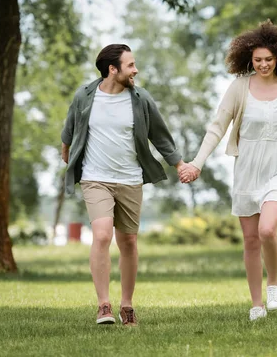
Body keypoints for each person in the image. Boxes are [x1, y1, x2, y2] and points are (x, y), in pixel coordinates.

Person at [179, 21, 277, 321]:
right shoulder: (240, 87)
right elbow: (217, 127)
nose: (264, 65)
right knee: (251, 239)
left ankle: (274, 283)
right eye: (258, 60)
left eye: (268, 59)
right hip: (248, 167)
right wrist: (197, 162)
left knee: (267, 229)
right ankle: (256, 304)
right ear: (249, 60)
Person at [61, 44, 188, 326]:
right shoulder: (85, 96)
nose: (136, 70)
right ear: (112, 69)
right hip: (96, 178)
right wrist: (66, 148)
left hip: (130, 179)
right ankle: (103, 305)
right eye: (130, 65)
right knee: (103, 235)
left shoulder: (140, 99)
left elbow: (160, 135)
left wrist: (179, 164)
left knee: (128, 241)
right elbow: (70, 127)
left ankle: (127, 305)